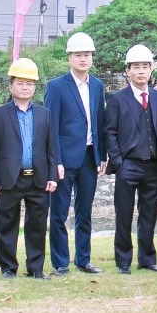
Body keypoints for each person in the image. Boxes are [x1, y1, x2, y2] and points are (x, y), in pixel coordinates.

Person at [0, 58, 59, 279]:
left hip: (38, 177)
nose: (25, 87)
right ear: (10, 87)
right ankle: (8, 267)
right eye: (20, 83)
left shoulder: (44, 114)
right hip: (10, 178)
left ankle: (36, 268)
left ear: (35, 87)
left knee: (37, 225)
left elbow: (51, 148)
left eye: (29, 83)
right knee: (6, 224)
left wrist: (53, 176)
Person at [44, 32, 107, 276]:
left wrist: (102, 155)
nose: (83, 59)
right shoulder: (56, 86)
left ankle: (84, 259)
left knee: (85, 211)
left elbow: (99, 122)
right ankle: (60, 262)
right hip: (64, 159)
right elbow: (50, 126)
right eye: (78, 55)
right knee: (59, 213)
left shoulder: (97, 85)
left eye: (87, 55)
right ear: (69, 57)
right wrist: (55, 160)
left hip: (89, 157)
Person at [102, 44, 157, 274]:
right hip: (128, 164)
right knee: (124, 214)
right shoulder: (117, 98)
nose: (141, 71)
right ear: (127, 70)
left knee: (149, 214)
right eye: (136, 67)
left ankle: (147, 259)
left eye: (145, 67)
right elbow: (109, 131)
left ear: (151, 69)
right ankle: (123, 261)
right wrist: (118, 161)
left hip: (153, 165)